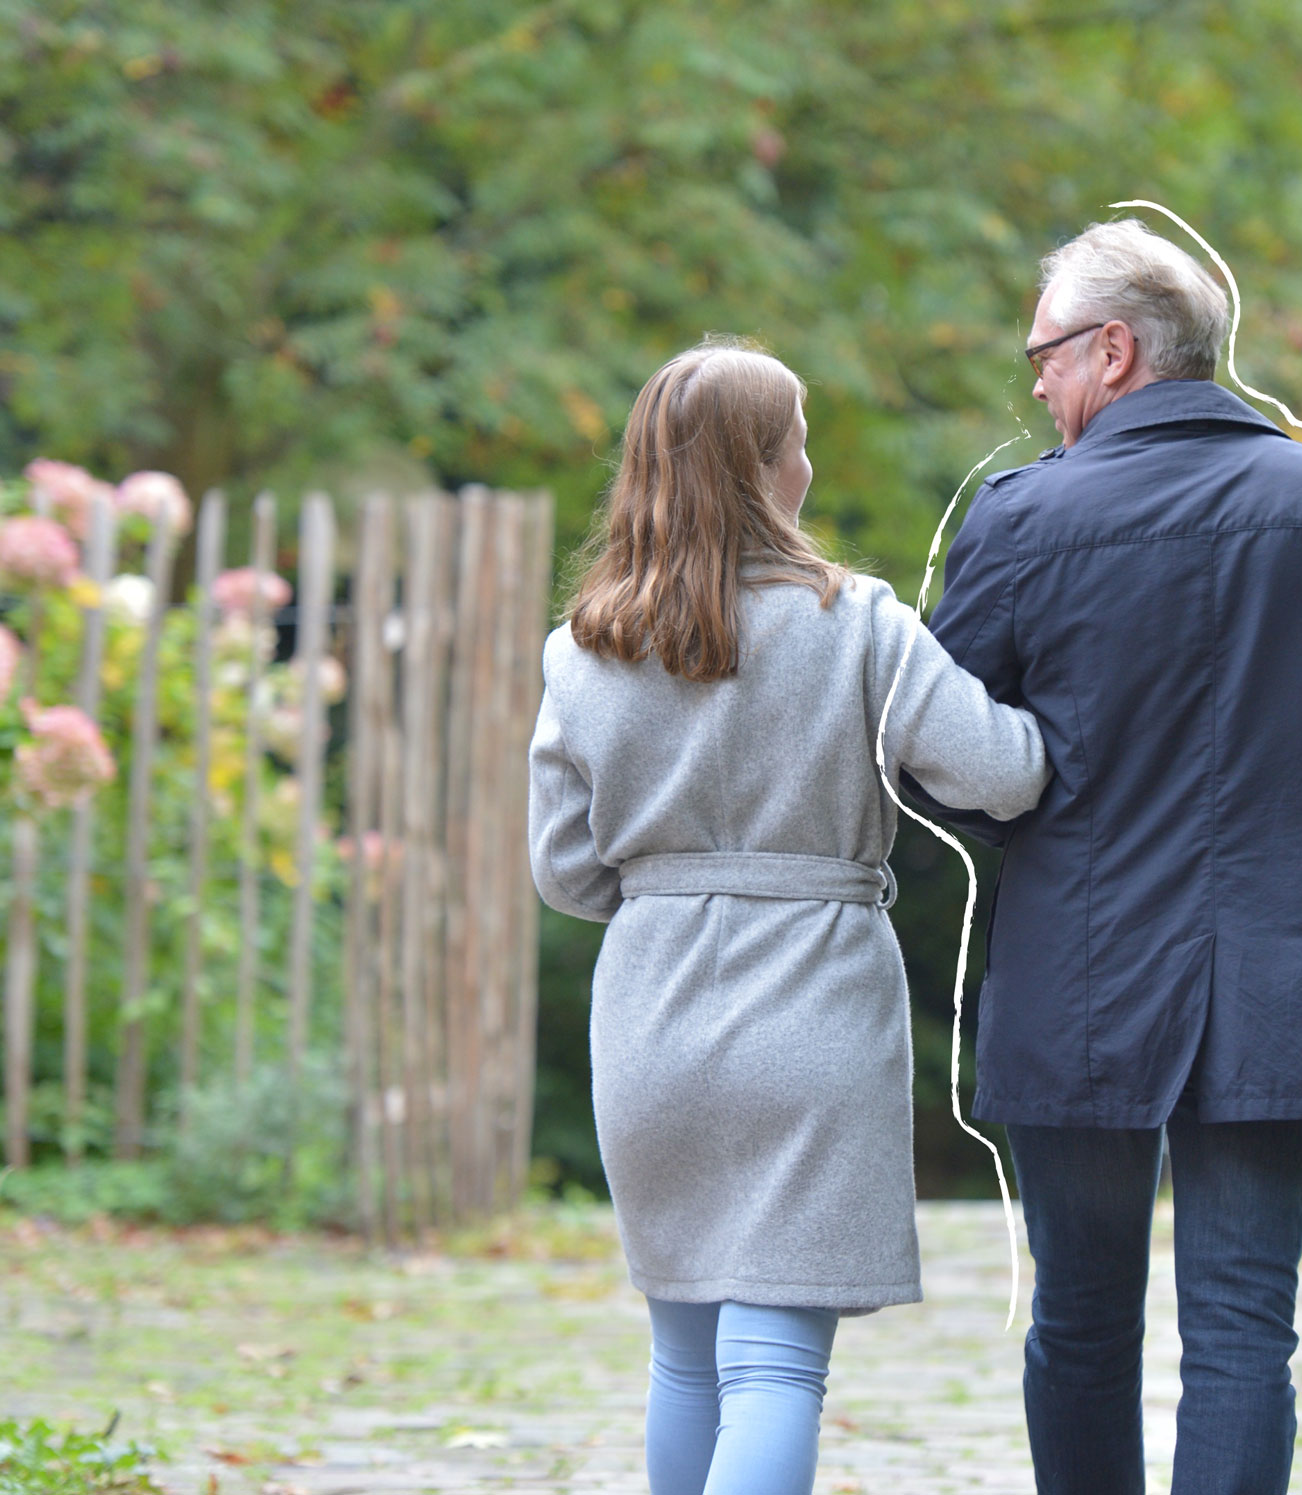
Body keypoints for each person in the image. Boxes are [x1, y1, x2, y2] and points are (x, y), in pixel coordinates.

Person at [912, 219, 1302, 1495]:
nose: (1036, 385)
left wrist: (1033, 824)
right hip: (1287, 974)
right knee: (1241, 1336)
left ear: (1113, 351)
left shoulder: (1019, 519)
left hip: (1080, 972)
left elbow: (936, 746)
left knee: (1079, 1324)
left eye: (1044, 356)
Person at [528, 337, 1052, 1495]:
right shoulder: (857, 622)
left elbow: (564, 872)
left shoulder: (581, 650)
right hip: (813, 1005)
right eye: (797, 440)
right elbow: (1003, 772)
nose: (806, 463)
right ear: (765, 467)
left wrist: (674, 884)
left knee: (681, 1354)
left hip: (650, 1015)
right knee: (772, 1366)